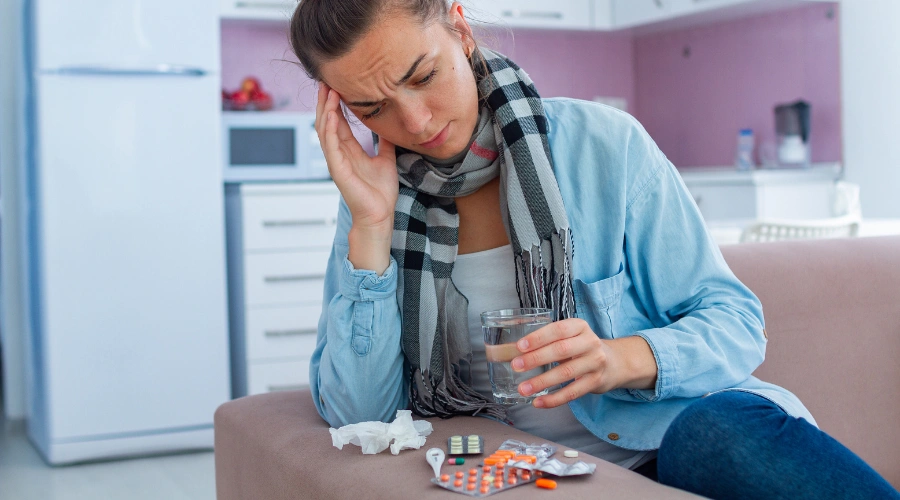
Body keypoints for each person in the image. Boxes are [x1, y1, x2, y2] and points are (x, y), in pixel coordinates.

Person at [289, 1, 900, 498]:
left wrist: (617, 358)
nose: (417, 122)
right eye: (373, 108)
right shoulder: (375, 201)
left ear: (460, 29)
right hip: (537, 475)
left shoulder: (603, 146)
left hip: (669, 444)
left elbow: (737, 324)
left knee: (715, 434)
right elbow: (359, 416)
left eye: (423, 76)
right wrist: (369, 225)